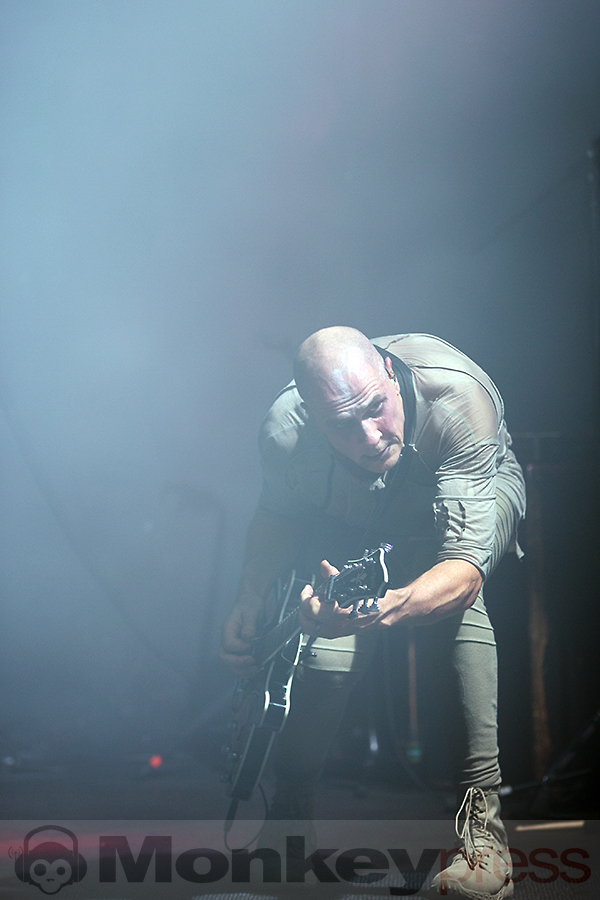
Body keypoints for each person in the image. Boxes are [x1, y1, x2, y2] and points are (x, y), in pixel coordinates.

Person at [221, 327, 526, 899]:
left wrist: (384, 610)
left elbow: (461, 569)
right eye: (341, 424)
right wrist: (250, 597)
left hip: (461, 497)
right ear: (313, 418)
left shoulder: (458, 400)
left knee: (457, 613)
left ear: (390, 372)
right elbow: (276, 517)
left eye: (375, 409)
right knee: (320, 657)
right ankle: (287, 823)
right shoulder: (285, 431)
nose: (368, 436)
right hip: (360, 515)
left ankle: (482, 839)